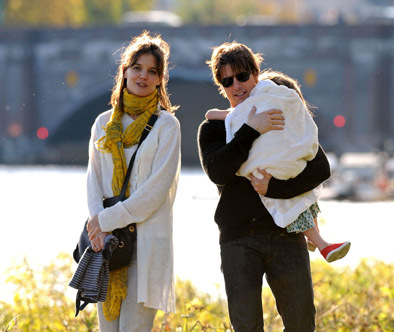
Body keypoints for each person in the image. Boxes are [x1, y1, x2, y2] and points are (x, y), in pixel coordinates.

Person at [197, 41, 331, 332]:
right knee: (246, 327)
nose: (236, 86)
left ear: (256, 75)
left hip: (286, 235)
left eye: (242, 76)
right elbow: (219, 171)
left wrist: (274, 189)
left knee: (302, 324)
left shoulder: (281, 114)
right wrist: (251, 129)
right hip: (238, 238)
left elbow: (320, 168)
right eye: (227, 81)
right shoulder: (214, 129)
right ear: (221, 86)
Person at [85, 31, 181, 332]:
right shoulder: (103, 123)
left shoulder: (167, 125)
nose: (143, 76)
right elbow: (93, 180)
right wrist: (97, 224)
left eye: (152, 71)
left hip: (148, 244)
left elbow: (155, 190)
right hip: (108, 246)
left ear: (160, 79)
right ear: (124, 71)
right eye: (137, 67)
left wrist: (106, 219)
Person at [205, 69, 350, 263]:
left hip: (280, 230)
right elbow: (216, 118)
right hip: (242, 230)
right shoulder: (248, 114)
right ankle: (321, 243)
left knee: (307, 202)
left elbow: (321, 168)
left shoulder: (284, 128)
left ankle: (316, 239)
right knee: (300, 205)